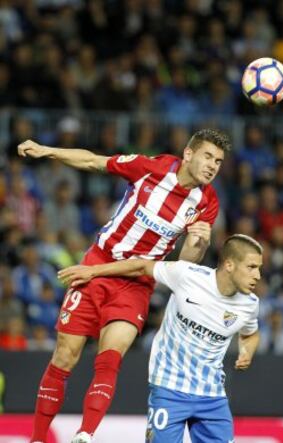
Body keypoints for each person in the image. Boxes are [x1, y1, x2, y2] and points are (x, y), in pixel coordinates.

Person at [17, 128, 231, 443]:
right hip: (97, 266)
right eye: (208, 156)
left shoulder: (206, 202)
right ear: (188, 154)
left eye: (219, 161)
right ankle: (37, 438)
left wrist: (198, 244)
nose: (213, 166)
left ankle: (85, 434)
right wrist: (47, 150)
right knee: (65, 355)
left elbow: (185, 264)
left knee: (110, 356)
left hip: (136, 284)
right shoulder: (151, 169)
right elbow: (93, 161)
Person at [59, 234, 262, 443]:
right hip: (169, 389)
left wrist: (247, 351)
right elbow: (141, 267)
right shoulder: (187, 276)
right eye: (251, 267)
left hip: (212, 397)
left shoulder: (249, 304)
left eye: (259, 268)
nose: (258, 275)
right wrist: (93, 271)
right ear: (229, 265)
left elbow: (251, 334)